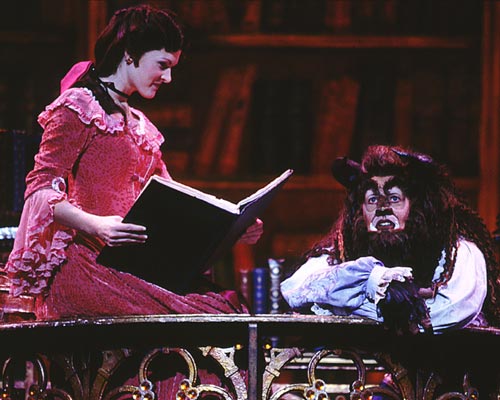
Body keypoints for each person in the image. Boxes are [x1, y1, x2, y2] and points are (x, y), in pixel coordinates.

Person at [5, 4, 263, 320]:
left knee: (226, 304)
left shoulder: (141, 127)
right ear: (130, 54)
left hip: (132, 265)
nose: (168, 78)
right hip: (88, 266)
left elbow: (177, 201)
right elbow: (39, 192)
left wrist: (231, 228)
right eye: (162, 65)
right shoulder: (78, 108)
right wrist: (97, 225)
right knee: (210, 311)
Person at [281, 145, 499, 334]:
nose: (382, 208)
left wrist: (347, 304)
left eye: (394, 198)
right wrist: (372, 281)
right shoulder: (344, 249)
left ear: (416, 207)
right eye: (372, 199)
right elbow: (295, 287)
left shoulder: (459, 253)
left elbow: (448, 311)